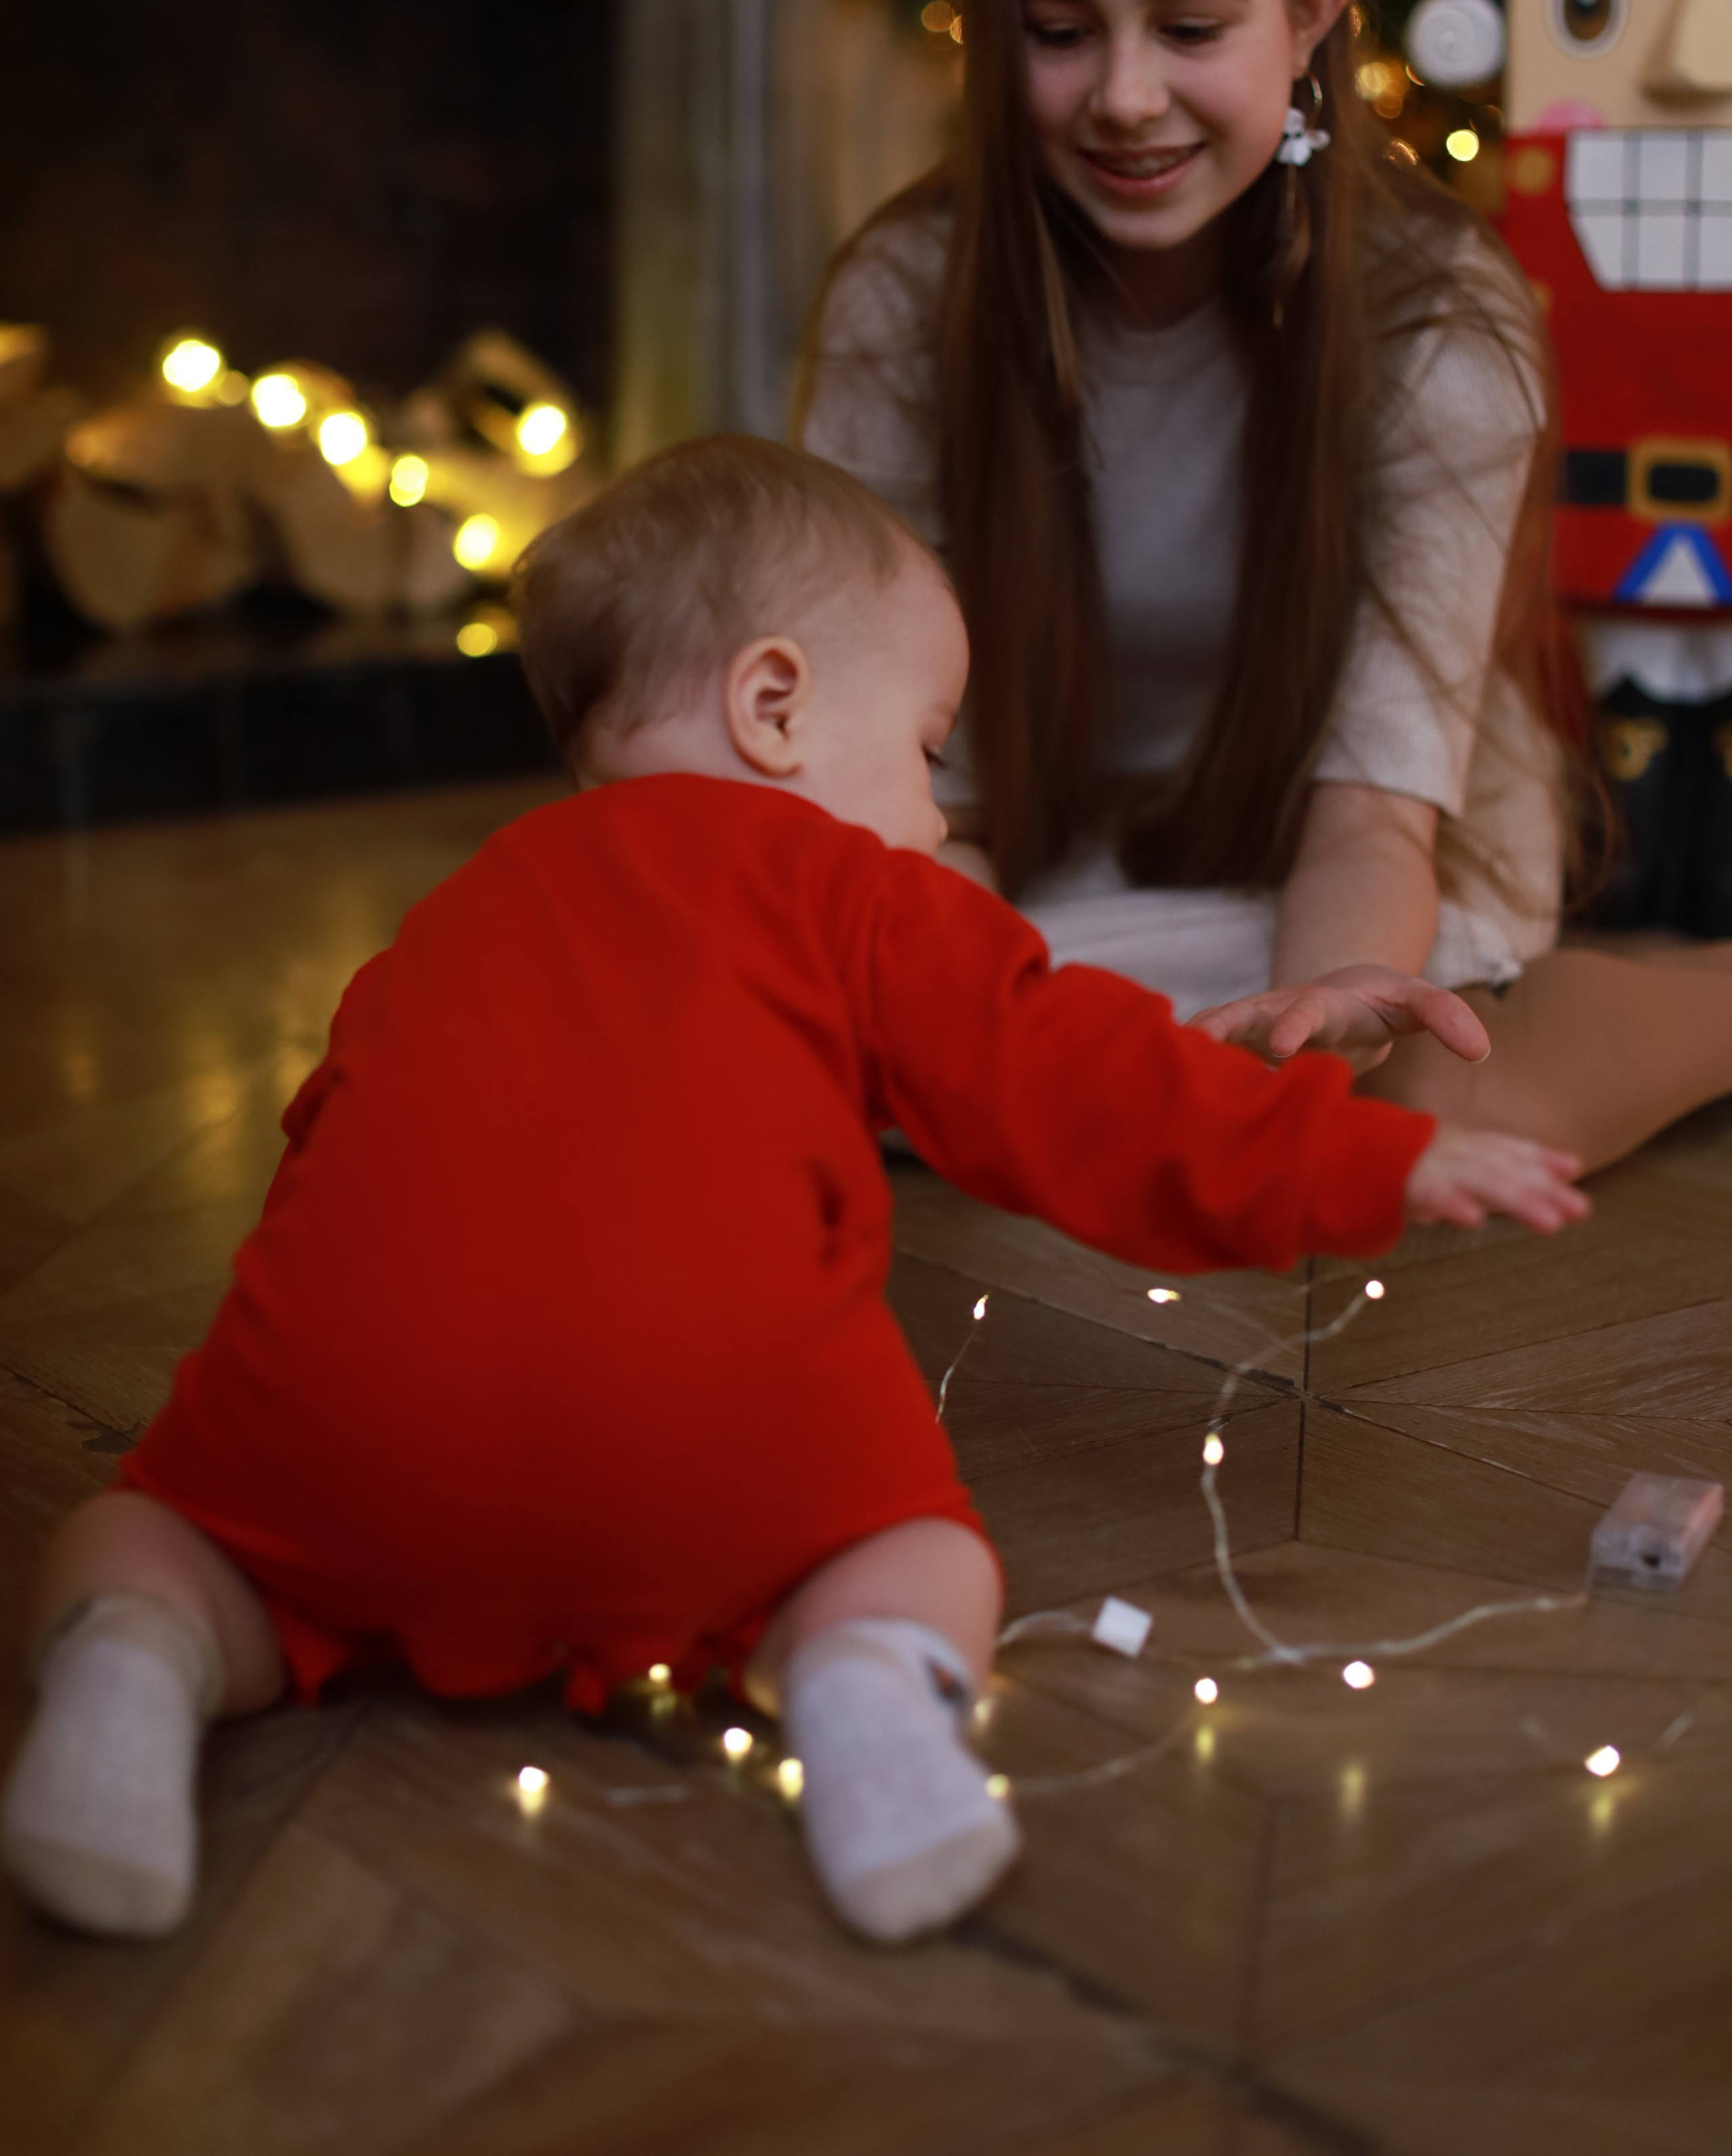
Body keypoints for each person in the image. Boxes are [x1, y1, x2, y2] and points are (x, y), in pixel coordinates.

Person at [1, 439, 1585, 1953]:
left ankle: (129, 1679)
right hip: (708, 1441)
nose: (937, 813)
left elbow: (329, 1141)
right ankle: (867, 1702)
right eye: (922, 749)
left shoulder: (455, 907)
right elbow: (1059, 1079)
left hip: (341, 1425)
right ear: (774, 706)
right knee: (913, 1552)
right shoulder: (852, 883)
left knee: (154, 1539)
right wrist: (1358, 1155)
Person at [798, 0, 1732, 1173]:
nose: (1121, 95)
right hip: (1037, 859)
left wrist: (1319, 1013)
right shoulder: (903, 297)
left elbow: (1372, 819)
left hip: (1366, 855)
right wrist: (974, 1021)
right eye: (1058, 32)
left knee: (1382, 1099)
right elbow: (904, 802)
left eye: (1188, 26)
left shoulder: (1438, 320)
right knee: (847, 1066)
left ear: (1306, 10)